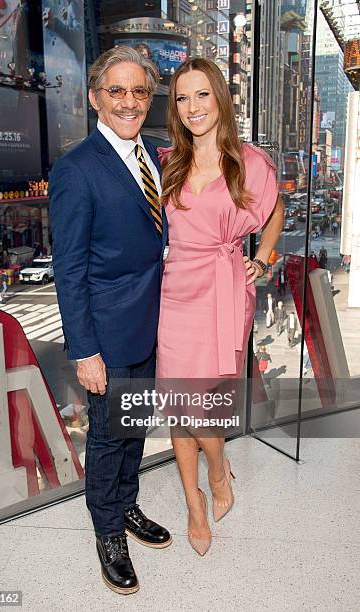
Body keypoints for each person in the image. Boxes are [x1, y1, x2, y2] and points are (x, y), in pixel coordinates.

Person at [49, 46, 171, 595]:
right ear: (96, 97)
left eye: (139, 91)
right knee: (106, 438)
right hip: (108, 333)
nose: (129, 101)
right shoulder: (77, 170)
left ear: (150, 99)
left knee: (134, 430)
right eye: (116, 91)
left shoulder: (153, 158)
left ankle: (126, 507)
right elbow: (69, 269)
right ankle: (107, 535)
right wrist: (85, 350)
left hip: (150, 326)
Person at [157, 58, 284, 556]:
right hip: (176, 293)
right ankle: (195, 502)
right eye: (183, 98)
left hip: (226, 290)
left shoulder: (251, 162)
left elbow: (274, 214)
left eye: (202, 95)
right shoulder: (169, 162)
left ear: (220, 99)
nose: (193, 108)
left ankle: (216, 468)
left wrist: (263, 257)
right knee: (177, 404)